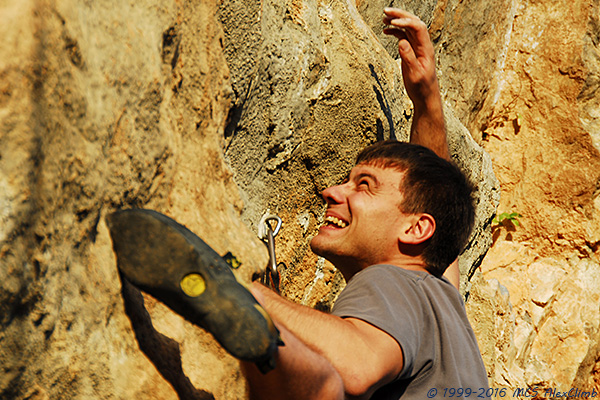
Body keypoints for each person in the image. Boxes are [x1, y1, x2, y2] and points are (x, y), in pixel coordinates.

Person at [107, 7, 488, 400]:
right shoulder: (441, 300)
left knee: (327, 383)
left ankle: (262, 333)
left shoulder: (388, 279)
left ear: (414, 230)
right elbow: (435, 200)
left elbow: (358, 364)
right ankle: (269, 348)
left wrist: (248, 293)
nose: (332, 191)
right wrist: (426, 98)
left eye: (364, 185)